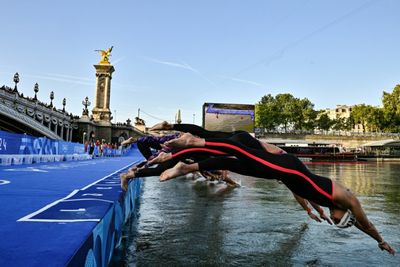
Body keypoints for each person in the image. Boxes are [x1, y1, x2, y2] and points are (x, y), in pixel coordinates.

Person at [150, 132, 395, 255]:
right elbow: (366, 223)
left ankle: (186, 166)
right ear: (345, 213)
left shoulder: (326, 202)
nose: (332, 218)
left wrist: (311, 209)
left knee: (236, 163)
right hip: (289, 168)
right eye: (337, 218)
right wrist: (381, 240)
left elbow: (297, 190)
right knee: (238, 148)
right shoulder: (347, 198)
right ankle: (194, 142)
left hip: (285, 173)